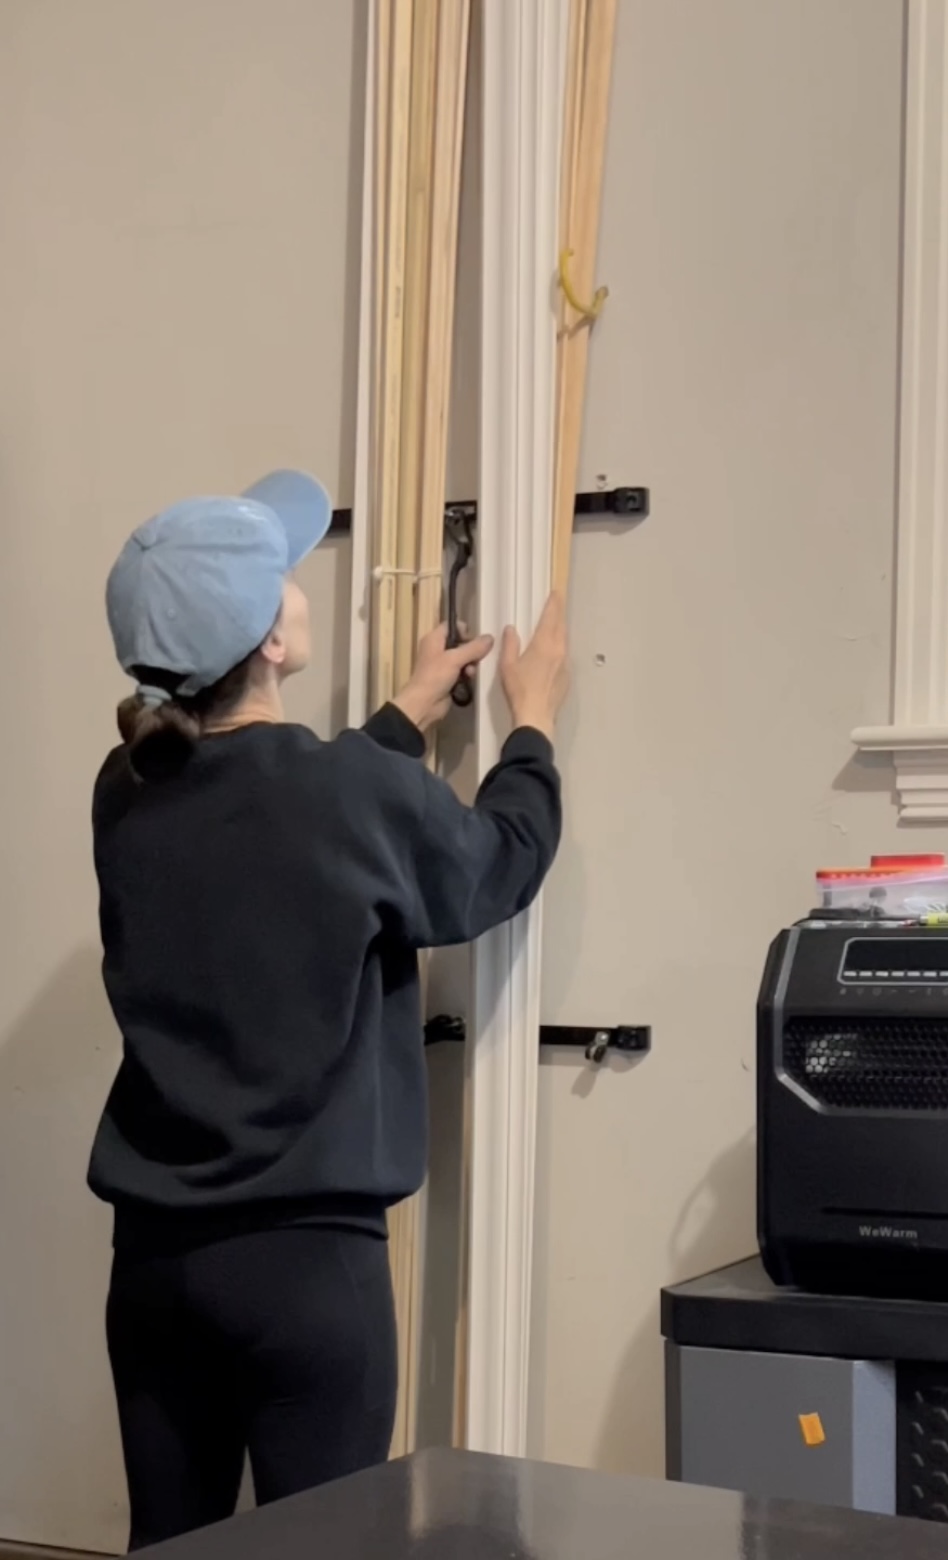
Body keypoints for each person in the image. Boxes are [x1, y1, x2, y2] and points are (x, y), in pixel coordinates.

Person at [87, 470, 568, 1550]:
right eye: (289, 578)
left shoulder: (124, 790)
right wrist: (530, 728)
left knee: (171, 1545)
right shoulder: (346, 796)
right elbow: (494, 865)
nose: (304, 588)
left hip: (156, 1269)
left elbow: (276, 822)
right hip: (307, 1277)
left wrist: (400, 721)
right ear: (266, 637)